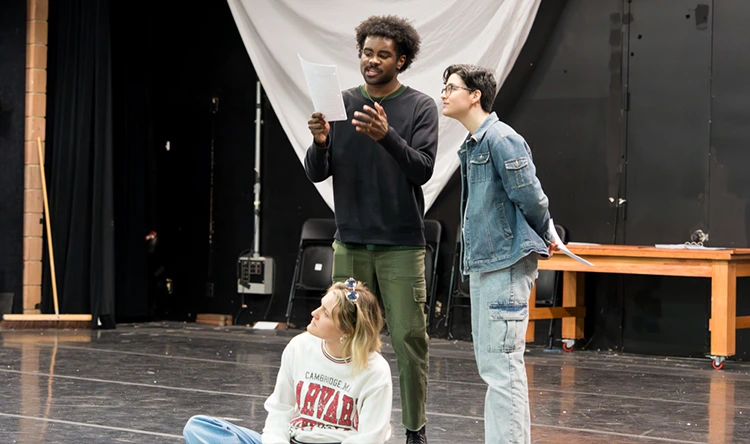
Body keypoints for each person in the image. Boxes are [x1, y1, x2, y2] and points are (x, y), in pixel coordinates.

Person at [305, 15, 438, 444]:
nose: (372, 61)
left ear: (401, 60)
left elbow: (422, 170)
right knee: (345, 337)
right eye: (366, 53)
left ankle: (414, 430)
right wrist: (321, 143)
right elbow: (316, 173)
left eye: (383, 55)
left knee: (407, 339)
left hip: (400, 244)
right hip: (351, 243)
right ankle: (345, 422)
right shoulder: (340, 102)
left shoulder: (419, 107)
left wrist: (387, 136)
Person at [440, 64, 557, 444]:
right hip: (490, 264)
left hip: (505, 265)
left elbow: (531, 196)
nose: (444, 93)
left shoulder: (501, 138)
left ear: (475, 95)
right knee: (495, 368)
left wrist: (546, 232)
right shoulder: (476, 142)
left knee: (503, 367)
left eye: (451, 87)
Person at [183, 279, 392, 444]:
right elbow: (280, 409)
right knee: (198, 427)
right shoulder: (300, 346)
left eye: (325, 313)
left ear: (347, 330)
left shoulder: (375, 371)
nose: (314, 314)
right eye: (320, 306)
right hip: (293, 439)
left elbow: (369, 437)